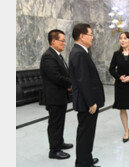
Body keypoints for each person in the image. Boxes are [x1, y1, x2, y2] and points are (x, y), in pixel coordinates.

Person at [69, 23, 105, 167]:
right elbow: (83, 81)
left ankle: (86, 159)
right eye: (90, 34)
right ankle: (83, 164)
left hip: (87, 102)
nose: (92, 37)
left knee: (87, 134)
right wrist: (91, 102)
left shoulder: (81, 52)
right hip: (87, 104)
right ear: (82, 36)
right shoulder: (79, 53)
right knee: (85, 134)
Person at [40, 29, 73, 159]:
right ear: (53, 41)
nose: (64, 43)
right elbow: (56, 77)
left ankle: (59, 142)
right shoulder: (48, 56)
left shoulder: (57, 55)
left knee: (60, 122)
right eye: (62, 41)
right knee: (55, 124)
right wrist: (70, 84)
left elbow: (64, 73)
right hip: (54, 97)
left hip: (60, 96)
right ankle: (54, 150)